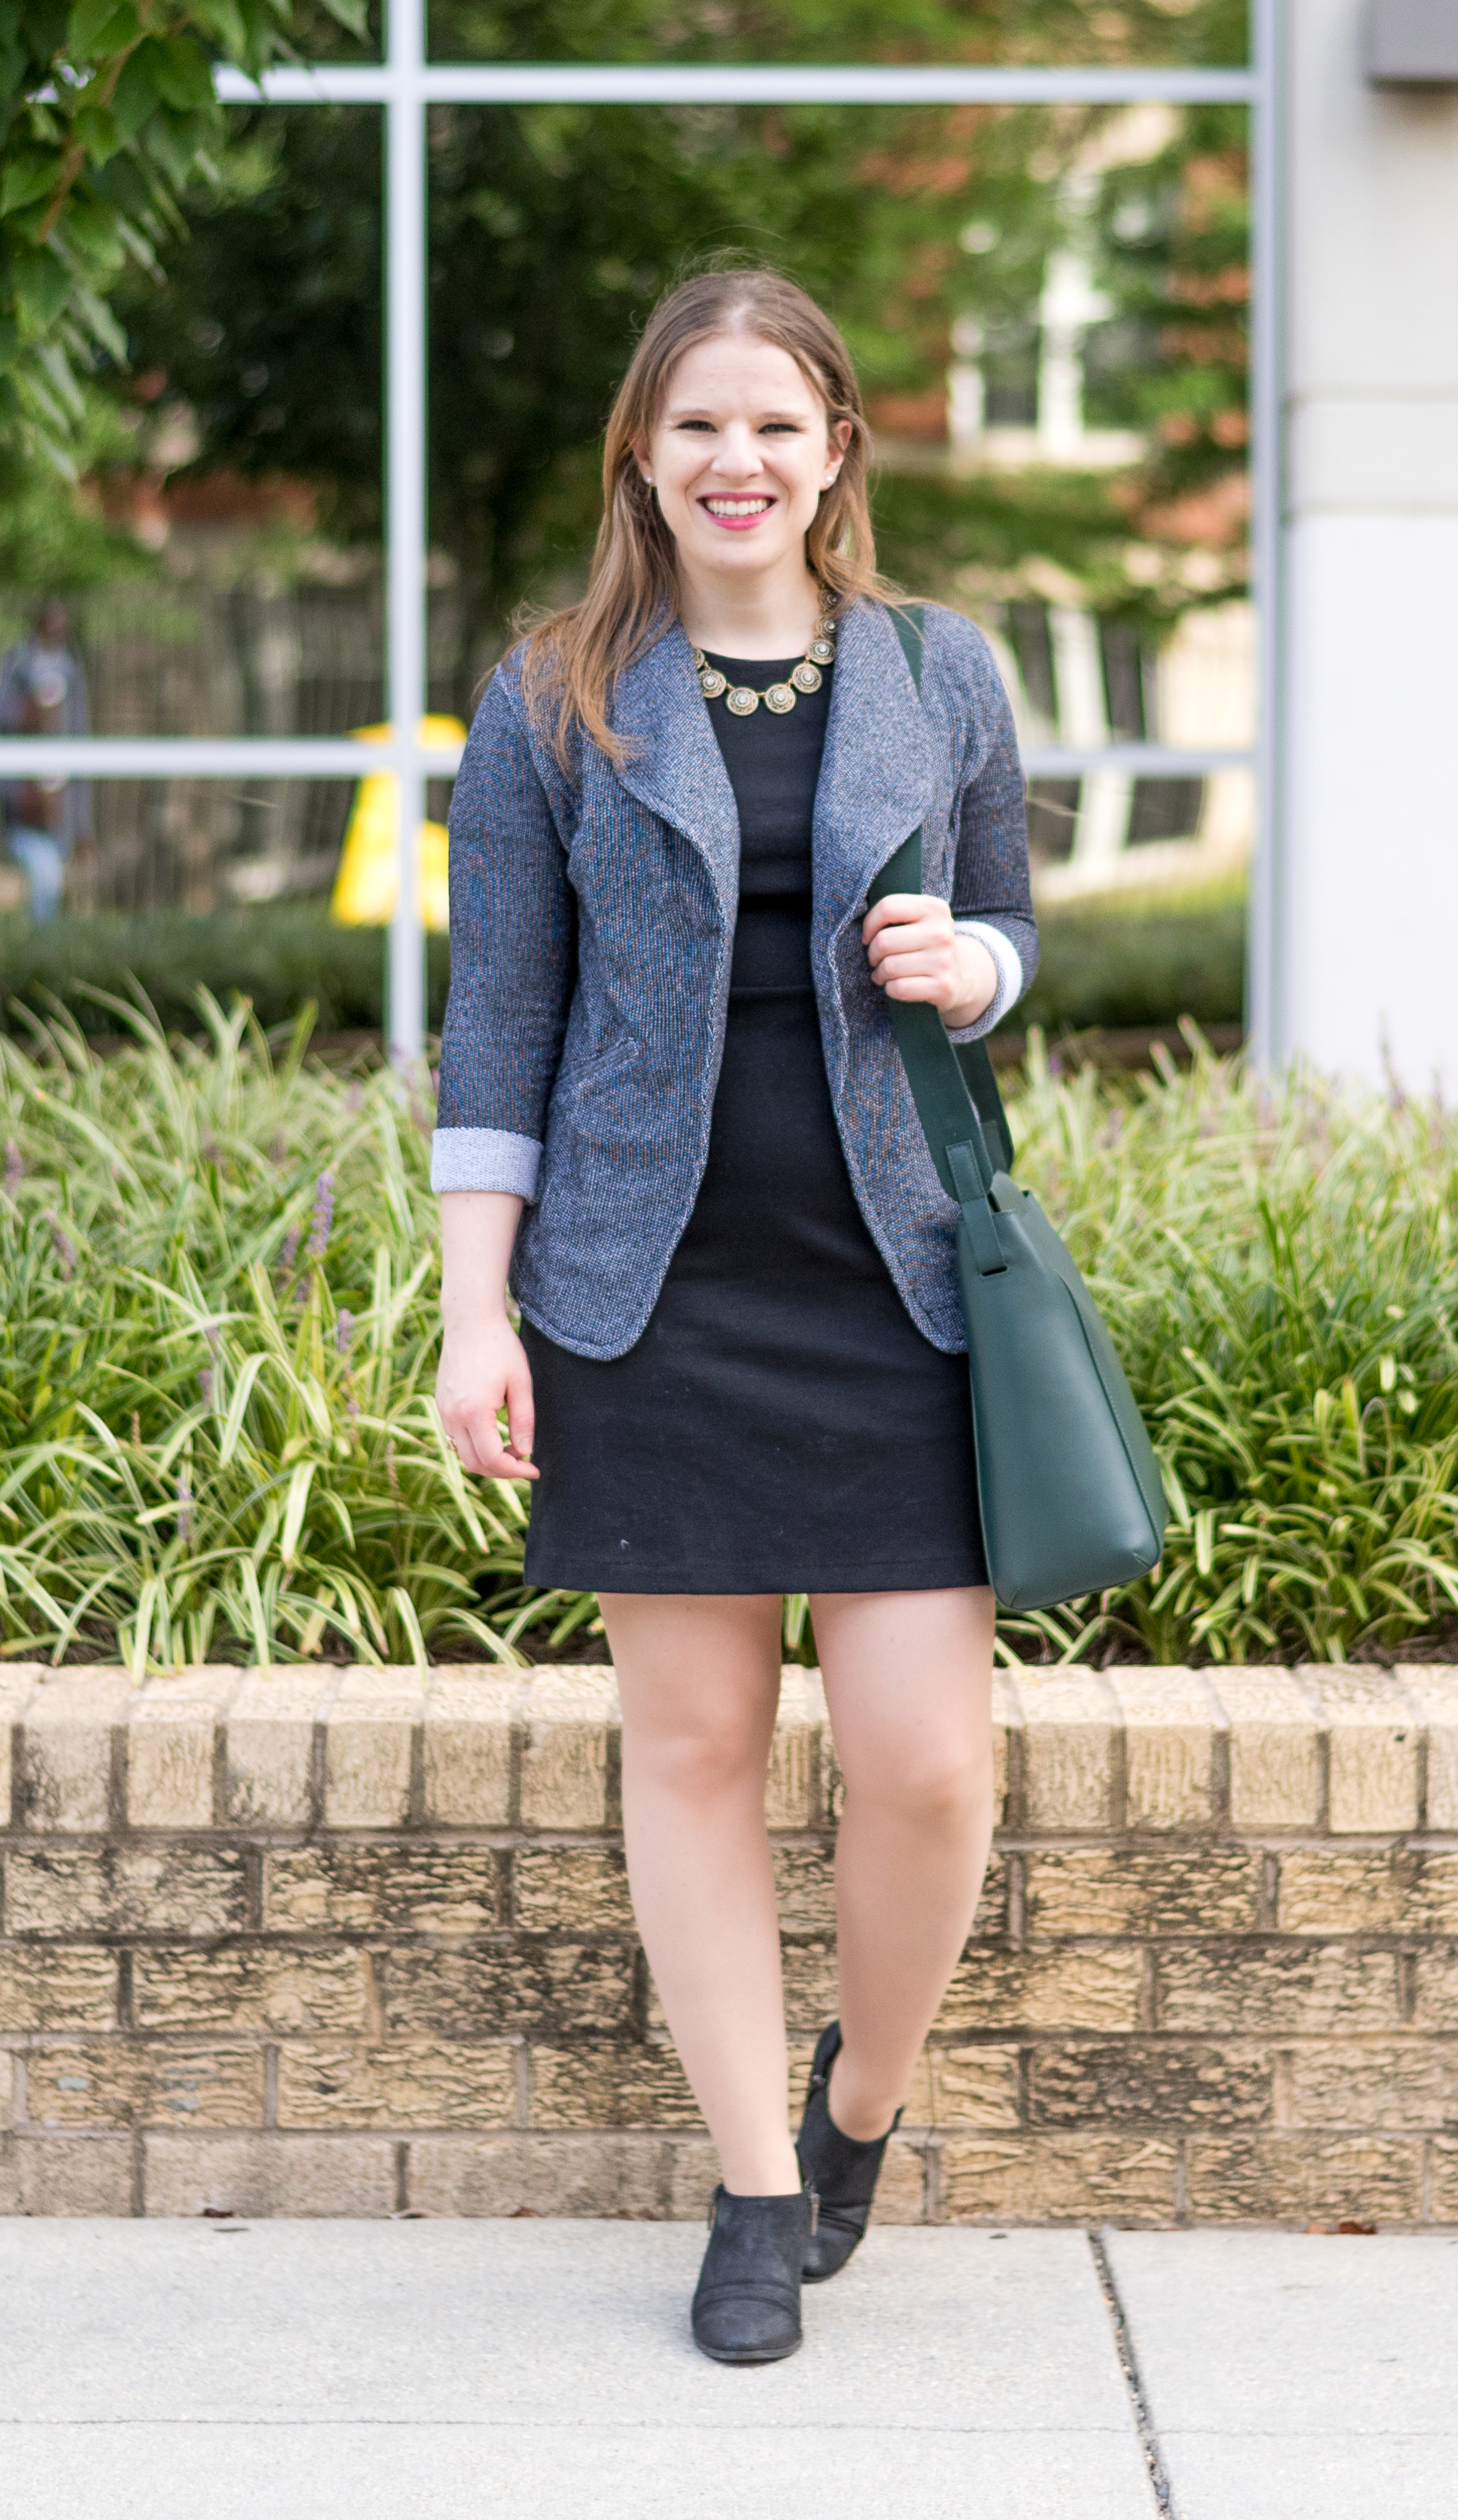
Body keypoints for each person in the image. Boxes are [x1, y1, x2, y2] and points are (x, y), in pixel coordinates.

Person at [430, 266, 1036, 2366]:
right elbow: (498, 1013)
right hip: (642, 1283)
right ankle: (754, 2195)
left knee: (926, 1759)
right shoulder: (553, 694)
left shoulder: (943, 673)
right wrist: (473, 1312)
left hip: (895, 1280)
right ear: (643, 454)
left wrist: (978, 966)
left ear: (838, 449)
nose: (738, 460)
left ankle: (853, 2103)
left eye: (776, 423)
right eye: (699, 424)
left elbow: (1013, 922)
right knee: (690, 1744)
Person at [0, 600, 86, 919]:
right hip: (25, 805)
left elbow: (77, 728)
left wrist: (81, 824)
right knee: (42, 873)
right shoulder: (17, 665)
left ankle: (43, 936)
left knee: (50, 878)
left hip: (57, 799)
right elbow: (1, 717)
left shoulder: (70, 666)